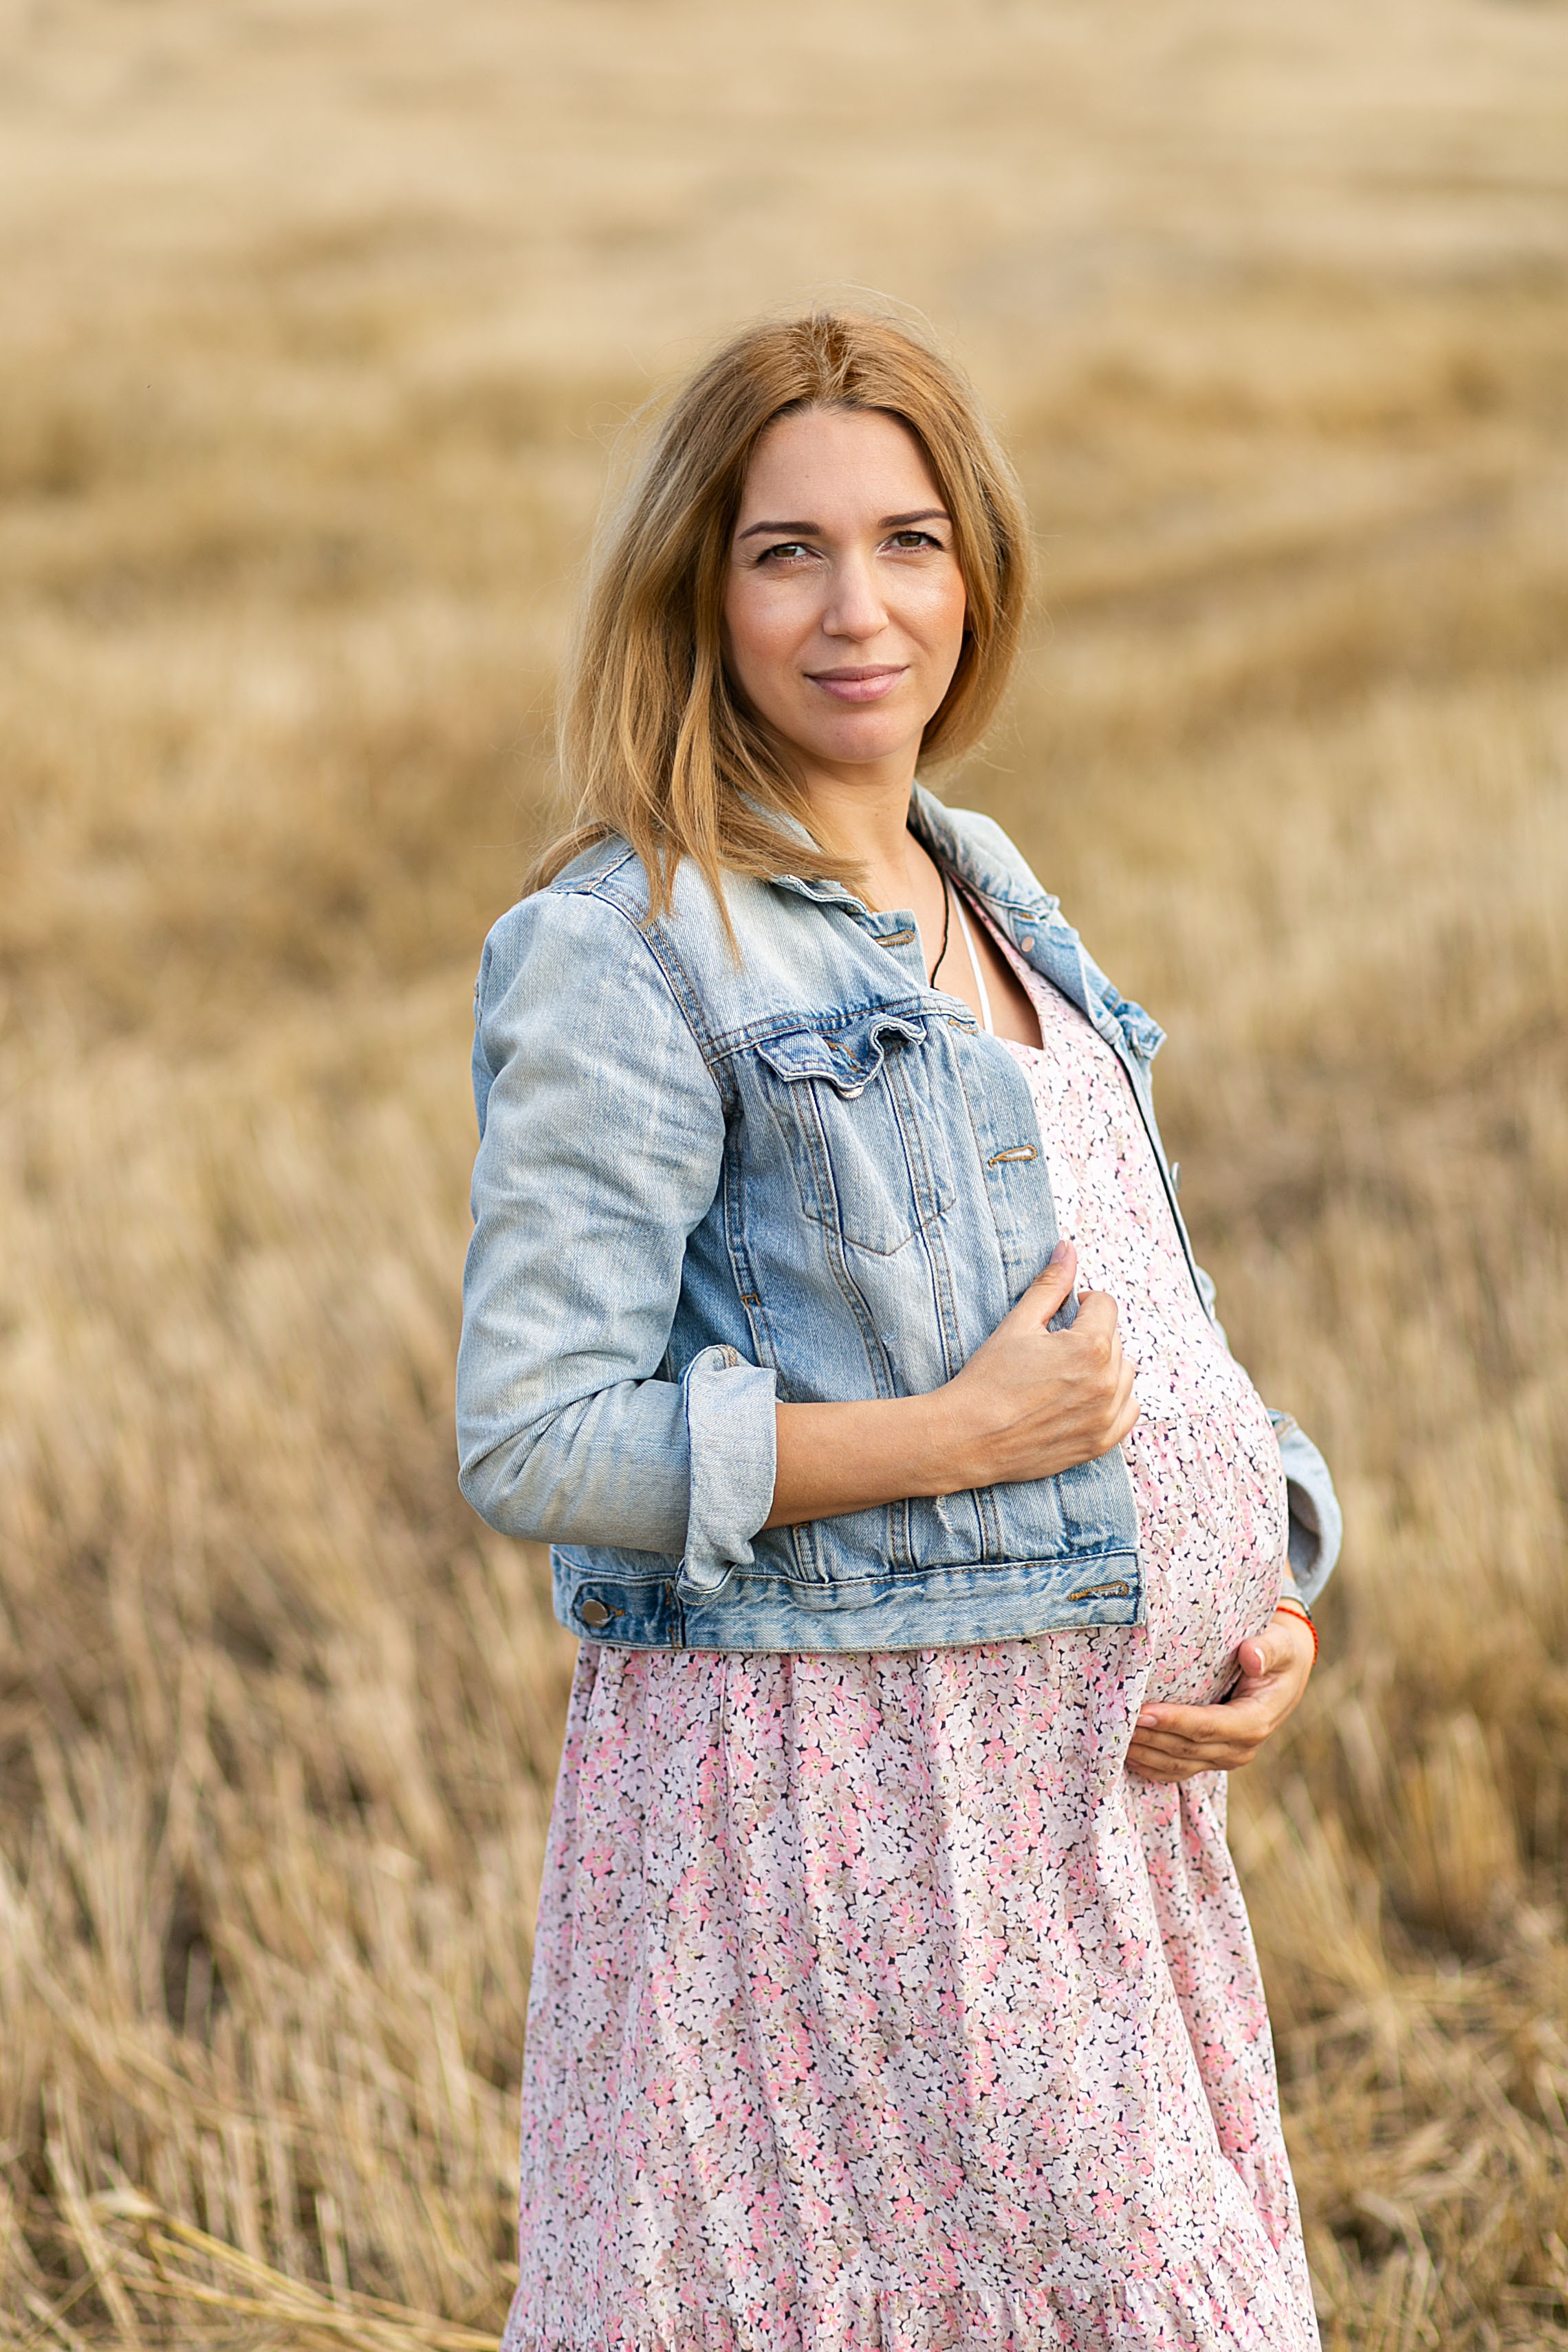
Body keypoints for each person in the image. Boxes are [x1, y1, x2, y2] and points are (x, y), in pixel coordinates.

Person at [457, 309, 1342, 2352]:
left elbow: (1134, 1289)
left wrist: (1260, 1582)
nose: (860, 607)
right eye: (787, 552)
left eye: (910, 540)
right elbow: (535, 1432)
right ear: (698, 588)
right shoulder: (628, 940)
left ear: (980, 571)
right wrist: (955, 1437)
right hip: (841, 1840)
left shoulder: (987, 877)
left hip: (1098, 1836)